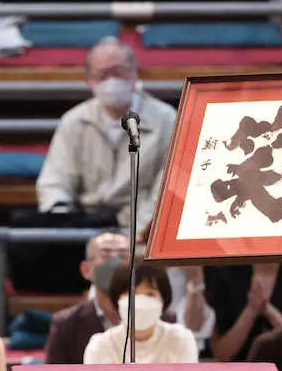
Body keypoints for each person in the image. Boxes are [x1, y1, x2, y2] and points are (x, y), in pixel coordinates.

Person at [36, 38, 177, 234]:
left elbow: (167, 191)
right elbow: (55, 180)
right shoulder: (74, 120)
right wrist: (63, 218)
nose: (111, 81)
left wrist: (137, 233)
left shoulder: (167, 120)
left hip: (143, 229)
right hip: (85, 226)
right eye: (102, 75)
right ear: (89, 80)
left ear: (134, 74)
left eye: (118, 72)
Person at [84, 259, 198, 365]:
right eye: (132, 294)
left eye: (150, 294)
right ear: (118, 299)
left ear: (163, 300)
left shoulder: (181, 339)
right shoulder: (100, 346)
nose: (139, 302)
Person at [44, 231, 129, 364]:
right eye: (106, 255)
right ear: (86, 269)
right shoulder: (66, 324)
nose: (115, 262)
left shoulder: (158, 318)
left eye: (123, 255)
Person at [207, 263, 282, 362]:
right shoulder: (225, 274)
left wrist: (269, 311)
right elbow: (221, 353)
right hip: (240, 366)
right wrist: (251, 310)